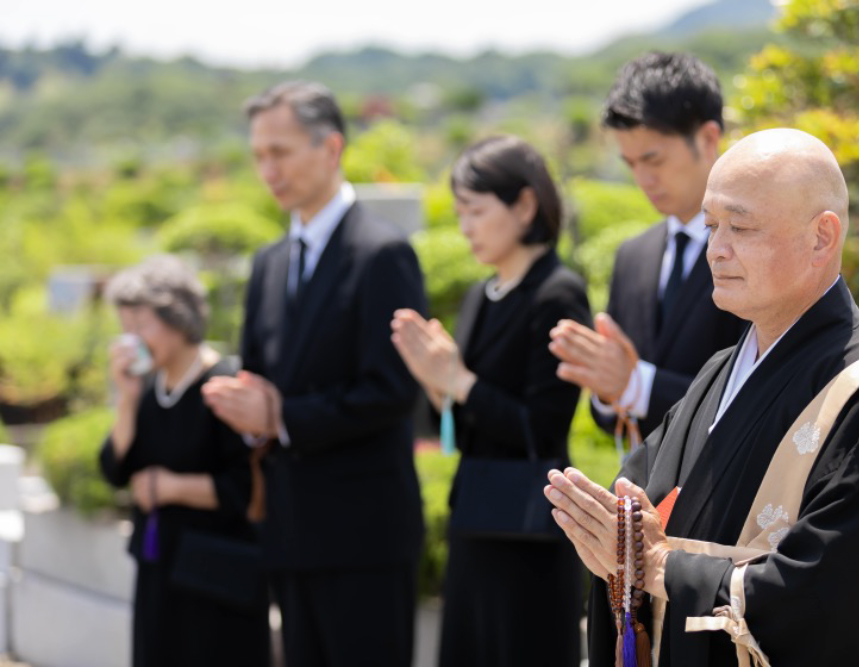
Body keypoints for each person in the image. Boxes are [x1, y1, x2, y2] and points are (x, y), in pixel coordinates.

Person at [544, 129, 859, 666]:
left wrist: (658, 564)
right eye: (710, 226)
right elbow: (642, 505)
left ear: (822, 237)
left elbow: (827, 595)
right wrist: (613, 534)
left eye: (741, 227)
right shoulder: (718, 372)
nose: (716, 250)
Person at [201, 81, 426, 667]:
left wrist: (282, 418)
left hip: (364, 536)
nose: (267, 168)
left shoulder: (382, 253)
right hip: (288, 529)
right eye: (258, 155)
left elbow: (395, 390)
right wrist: (247, 415)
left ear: (331, 149)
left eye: (280, 151)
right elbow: (259, 381)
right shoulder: (268, 263)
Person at [391, 136, 591, 667]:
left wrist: (457, 380)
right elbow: (462, 421)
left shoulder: (557, 293)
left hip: (529, 526)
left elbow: (541, 427)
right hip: (476, 514)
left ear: (524, 205)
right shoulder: (483, 294)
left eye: (476, 211)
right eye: (460, 213)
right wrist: (435, 383)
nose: (466, 227)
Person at [550, 52, 744, 442]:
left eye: (653, 159)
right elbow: (614, 414)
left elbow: (756, 399)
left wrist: (635, 384)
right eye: (631, 163)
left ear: (708, 139)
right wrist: (610, 388)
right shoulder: (633, 256)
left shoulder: (753, 246)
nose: (642, 178)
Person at [99, 255, 270, 667]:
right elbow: (114, 469)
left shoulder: (223, 384)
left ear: (178, 317)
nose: (132, 340)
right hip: (161, 570)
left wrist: (170, 487)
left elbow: (242, 490)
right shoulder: (148, 389)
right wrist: (125, 398)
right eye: (126, 329)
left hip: (217, 577)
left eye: (142, 326)